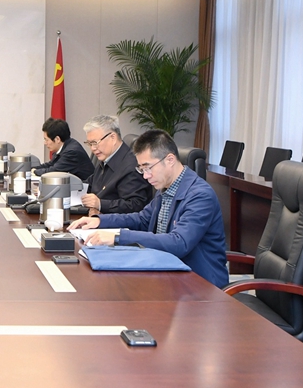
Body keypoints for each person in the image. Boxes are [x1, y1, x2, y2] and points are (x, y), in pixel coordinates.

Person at [69, 130, 228, 288]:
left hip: (200, 284)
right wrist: (100, 221)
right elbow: (142, 219)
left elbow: (179, 243)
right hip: (167, 272)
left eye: (148, 167)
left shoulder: (200, 195)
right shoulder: (166, 187)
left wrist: (118, 236)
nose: (145, 176)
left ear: (170, 160)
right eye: (141, 169)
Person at [81, 115, 154, 214]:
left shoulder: (131, 166)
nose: (93, 148)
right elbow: (91, 184)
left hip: (115, 222)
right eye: (89, 144)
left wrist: (100, 204)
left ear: (113, 137)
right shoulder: (107, 157)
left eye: (95, 143)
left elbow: (136, 205)